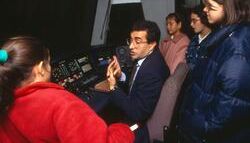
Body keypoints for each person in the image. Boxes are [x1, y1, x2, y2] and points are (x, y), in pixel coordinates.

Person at [176, 0, 250, 143]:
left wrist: (197, 128)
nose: (205, 10)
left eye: (211, 7)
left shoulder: (240, 47)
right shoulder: (226, 35)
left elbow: (229, 107)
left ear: (229, 7)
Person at [0, 36, 134, 143]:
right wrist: (123, 130)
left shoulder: (5, 101)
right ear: (40, 68)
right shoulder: (63, 104)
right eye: (48, 63)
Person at [107, 20, 170, 143]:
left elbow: (137, 113)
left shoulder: (151, 71)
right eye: (131, 40)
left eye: (138, 41)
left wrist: (113, 87)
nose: (131, 46)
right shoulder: (149, 58)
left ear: (152, 44)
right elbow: (137, 84)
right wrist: (121, 76)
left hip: (141, 127)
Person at [186, 4, 212, 70]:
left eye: (194, 21)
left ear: (204, 19)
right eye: (191, 21)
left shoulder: (213, 41)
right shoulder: (193, 40)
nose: (191, 24)